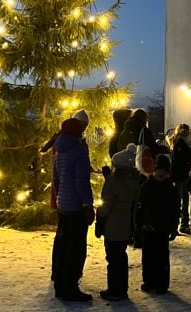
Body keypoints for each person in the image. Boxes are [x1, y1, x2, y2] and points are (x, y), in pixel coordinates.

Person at [52, 109, 95, 302]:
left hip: (63, 203)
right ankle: (70, 286)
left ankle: (60, 282)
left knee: (63, 243)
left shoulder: (59, 150)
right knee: (76, 248)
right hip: (76, 205)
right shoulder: (78, 150)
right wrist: (88, 204)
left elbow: (57, 178)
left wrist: (60, 197)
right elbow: (81, 181)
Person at [96, 143, 140, 302]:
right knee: (121, 257)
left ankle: (114, 290)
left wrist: (99, 215)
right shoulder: (135, 179)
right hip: (127, 224)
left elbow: (107, 204)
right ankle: (122, 288)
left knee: (113, 258)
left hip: (113, 224)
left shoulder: (113, 181)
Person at [138, 154, 179, 295]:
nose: (162, 176)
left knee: (161, 257)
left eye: (164, 173)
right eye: (159, 172)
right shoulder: (146, 187)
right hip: (148, 227)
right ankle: (149, 281)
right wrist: (140, 224)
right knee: (148, 257)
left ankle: (162, 283)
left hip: (163, 228)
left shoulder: (171, 189)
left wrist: (174, 227)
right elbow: (140, 207)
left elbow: (175, 210)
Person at [168, 124, 191, 234]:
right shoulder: (180, 143)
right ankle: (181, 224)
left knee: (181, 200)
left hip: (181, 175)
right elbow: (180, 159)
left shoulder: (179, 142)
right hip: (181, 176)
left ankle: (179, 224)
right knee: (182, 200)